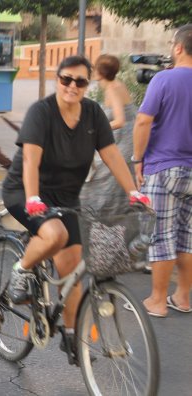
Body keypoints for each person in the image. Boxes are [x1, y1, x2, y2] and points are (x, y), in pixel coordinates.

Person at [1, 55, 149, 352]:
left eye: (80, 81)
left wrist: (134, 192)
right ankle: (21, 269)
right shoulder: (41, 112)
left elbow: (111, 155)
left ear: (87, 84)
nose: (72, 86)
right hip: (26, 190)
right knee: (55, 235)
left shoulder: (93, 114)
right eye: (66, 79)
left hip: (67, 197)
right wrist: (32, 199)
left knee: (72, 270)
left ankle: (72, 337)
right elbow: (31, 159)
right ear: (58, 80)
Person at [132, 24, 192, 317]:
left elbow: (143, 121)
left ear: (178, 48)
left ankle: (157, 300)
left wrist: (137, 159)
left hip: (164, 167)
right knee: (187, 236)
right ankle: (182, 297)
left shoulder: (164, 80)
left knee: (162, 235)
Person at [80, 54, 138, 215]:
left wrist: (95, 129)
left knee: (102, 178)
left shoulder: (112, 89)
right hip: (124, 142)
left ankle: (95, 216)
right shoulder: (117, 85)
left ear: (99, 72)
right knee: (112, 182)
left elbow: (120, 120)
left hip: (122, 145)